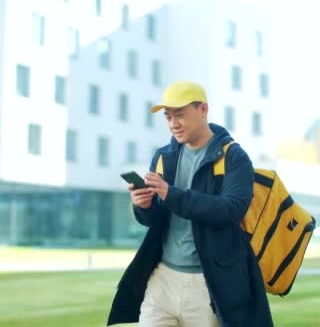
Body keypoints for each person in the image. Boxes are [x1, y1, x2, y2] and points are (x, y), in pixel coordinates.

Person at [107, 81, 273, 327]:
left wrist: (171, 194)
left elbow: (230, 210)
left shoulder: (234, 158)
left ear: (203, 110)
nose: (173, 123)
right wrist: (143, 205)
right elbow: (153, 219)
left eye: (180, 115)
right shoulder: (164, 156)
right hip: (161, 279)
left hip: (208, 285)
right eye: (168, 116)